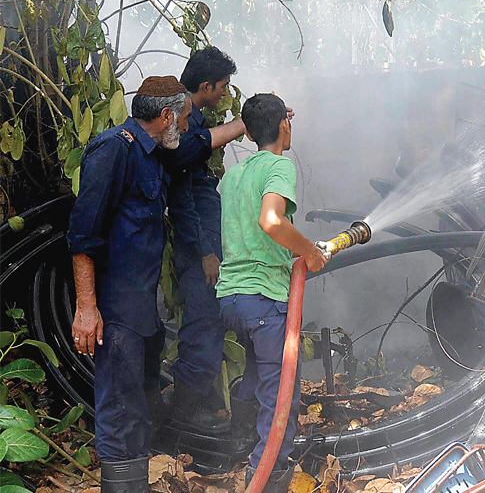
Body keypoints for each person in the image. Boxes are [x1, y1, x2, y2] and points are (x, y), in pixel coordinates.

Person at [68, 76, 192, 493]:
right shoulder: (113, 149)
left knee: (138, 409)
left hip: (143, 311)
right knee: (120, 413)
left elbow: (199, 142)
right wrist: (87, 308)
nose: (187, 127)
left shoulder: (153, 154)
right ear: (167, 116)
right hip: (116, 312)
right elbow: (82, 234)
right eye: (185, 118)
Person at [162, 47, 295, 435]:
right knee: (203, 328)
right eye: (221, 87)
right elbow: (182, 195)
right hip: (199, 250)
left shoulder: (226, 161)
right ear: (205, 86)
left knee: (210, 329)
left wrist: (260, 122)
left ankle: (213, 417)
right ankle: (186, 418)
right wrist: (205, 252)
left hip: (212, 255)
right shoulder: (181, 125)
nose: (224, 93)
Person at [215, 93, 326, 490]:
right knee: (281, 394)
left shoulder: (233, 175)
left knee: (256, 373)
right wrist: (309, 250)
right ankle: (266, 478)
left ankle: (241, 447)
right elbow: (271, 220)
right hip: (264, 298)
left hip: (231, 299)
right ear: (284, 126)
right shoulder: (279, 166)